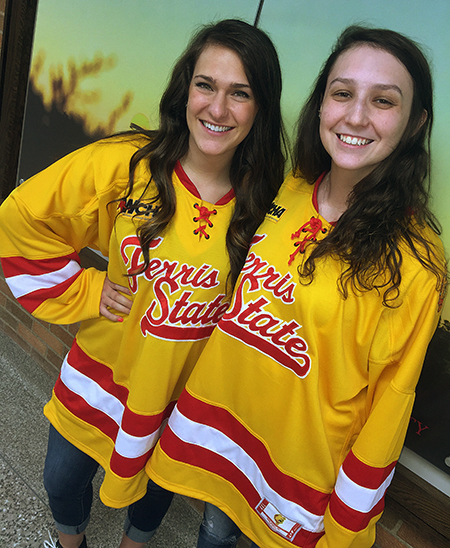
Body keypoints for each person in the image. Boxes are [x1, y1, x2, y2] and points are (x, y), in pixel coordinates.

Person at [146, 25, 447, 548]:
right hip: (224, 443)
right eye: (342, 93)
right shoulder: (288, 189)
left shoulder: (416, 260)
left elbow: (389, 408)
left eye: (383, 101)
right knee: (213, 535)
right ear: (321, 103)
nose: (356, 116)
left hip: (294, 481)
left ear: (416, 122)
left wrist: (347, 527)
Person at [0, 19, 286, 548]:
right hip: (101, 372)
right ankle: (71, 542)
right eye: (206, 85)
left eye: (240, 93)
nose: (218, 108)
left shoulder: (267, 203)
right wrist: (85, 290)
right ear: (185, 89)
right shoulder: (128, 164)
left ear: (261, 107)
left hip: (178, 394)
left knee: (155, 490)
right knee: (62, 480)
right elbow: (20, 217)